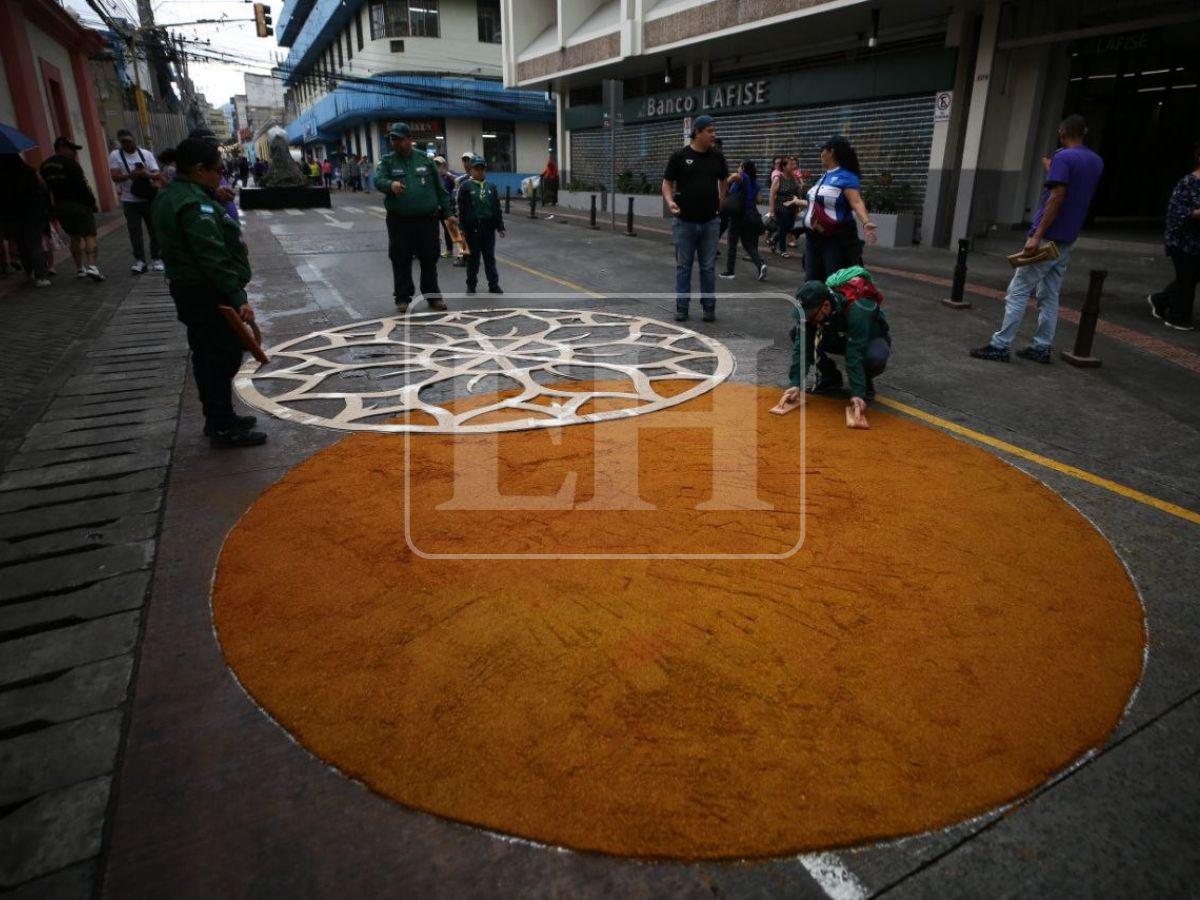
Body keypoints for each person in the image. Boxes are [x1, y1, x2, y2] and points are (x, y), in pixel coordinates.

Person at [153, 138, 265, 448]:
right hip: (206, 292)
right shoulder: (193, 205)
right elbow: (212, 257)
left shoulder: (180, 195)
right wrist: (238, 297)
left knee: (211, 356)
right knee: (218, 358)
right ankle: (221, 426)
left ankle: (221, 417)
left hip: (195, 290)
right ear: (199, 170)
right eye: (218, 170)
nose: (221, 175)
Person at [970, 114, 1104, 363]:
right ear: (1082, 133)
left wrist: (1037, 235)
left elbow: (1057, 196)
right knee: (1050, 293)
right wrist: (1052, 169)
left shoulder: (1063, 157)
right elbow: (1072, 190)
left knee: (1018, 289)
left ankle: (1000, 345)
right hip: (1068, 236)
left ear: (1062, 134)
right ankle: (1042, 346)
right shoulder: (1095, 161)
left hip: (1048, 236)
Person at [374, 122, 457, 313]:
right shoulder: (387, 161)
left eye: (397, 139)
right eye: (392, 139)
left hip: (426, 220)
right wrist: (390, 184)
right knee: (400, 258)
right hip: (399, 221)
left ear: (408, 140)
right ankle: (402, 297)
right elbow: (378, 180)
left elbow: (440, 189)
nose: (393, 142)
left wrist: (449, 214)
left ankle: (432, 296)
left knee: (430, 257)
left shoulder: (425, 160)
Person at [781, 275, 890, 418]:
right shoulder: (813, 314)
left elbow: (854, 352)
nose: (807, 319)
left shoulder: (857, 310)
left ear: (826, 306)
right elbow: (801, 348)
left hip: (868, 339)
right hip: (839, 335)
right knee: (796, 333)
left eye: (810, 315)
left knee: (874, 357)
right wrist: (795, 383)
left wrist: (857, 393)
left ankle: (865, 381)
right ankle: (831, 377)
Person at [662, 114, 727, 322]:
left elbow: (724, 180)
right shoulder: (679, 157)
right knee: (684, 266)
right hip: (684, 223)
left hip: (710, 222)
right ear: (697, 132)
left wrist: (721, 201)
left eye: (713, 131)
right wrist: (670, 201)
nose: (713, 135)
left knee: (708, 267)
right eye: (709, 131)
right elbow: (666, 183)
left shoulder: (717, 156)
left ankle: (709, 307)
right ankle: (682, 307)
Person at [788, 137, 876, 281]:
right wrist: (798, 201)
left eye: (822, 150)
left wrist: (866, 222)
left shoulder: (846, 176)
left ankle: (833, 303)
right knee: (811, 279)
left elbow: (856, 201)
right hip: (813, 238)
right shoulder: (824, 176)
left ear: (831, 152)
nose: (820, 154)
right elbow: (818, 203)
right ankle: (815, 303)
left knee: (833, 280)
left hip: (833, 239)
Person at [1148, 139, 1200, 332]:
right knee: (1187, 277)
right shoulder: (1188, 182)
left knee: (1191, 276)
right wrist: (1195, 213)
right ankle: (1178, 316)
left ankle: (1160, 300)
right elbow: (1176, 211)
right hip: (1184, 240)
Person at [39, 137, 104, 282]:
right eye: (72, 149)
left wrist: (50, 208)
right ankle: (92, 266)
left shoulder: (45, 166)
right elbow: (83, 186)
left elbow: (46, 189)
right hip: (79, 205)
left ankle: (80, 268)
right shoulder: (72, 165)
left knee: (74, 236)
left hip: (60, 206)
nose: (74, 152)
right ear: (62, 147)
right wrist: (92, 202)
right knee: (89, 235)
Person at [109, 128, 163, 274]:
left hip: (148, 198)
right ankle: (140, 260)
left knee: (154, 229)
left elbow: (157, 173)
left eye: (129, 141)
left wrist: (146, 174)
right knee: (134, 231)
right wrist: (129, 175)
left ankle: (157, 258)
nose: (126, 144)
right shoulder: (115, 155)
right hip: (129, 200)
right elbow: (114, 177)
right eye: (123, 142)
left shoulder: (146, 154)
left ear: (134, 139)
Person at [0, 154, 53, 287]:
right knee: (35, 244)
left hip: (13, 217)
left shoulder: (3, 176)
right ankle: (40, 276)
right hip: (33, 214)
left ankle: (29, 271)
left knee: (21, 245)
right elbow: (43, 189)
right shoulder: (29, 171)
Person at [456, 154, 505, 295]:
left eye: (482, 168)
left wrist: (500, 226)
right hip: (473, 228)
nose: (479, 171)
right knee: (473, 259)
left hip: (488, 227)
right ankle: (471, 285)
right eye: (476, 168)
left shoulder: (491, 187)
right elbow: (462, 209)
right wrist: (462, 229)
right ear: (471, 170)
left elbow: (496, 208)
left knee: (489, 257)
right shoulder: (465, 187)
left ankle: (493, 284)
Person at [719, 160, 767, 281]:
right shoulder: (755, 183)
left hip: (737, 215)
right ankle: (760, 265)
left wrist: (726, 183)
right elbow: (759, 200)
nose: (738, 169)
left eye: (740, 166)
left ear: (744, 168)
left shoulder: (743, 177)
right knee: (748, 244)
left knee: (732, 244)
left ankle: (730, 271)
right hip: (749, 216)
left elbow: (735, 176)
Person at [768, 157, 800, 257]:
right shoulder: (778, 178)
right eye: (790, 164)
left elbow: (797, 191)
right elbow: (772, 195)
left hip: (792, 206)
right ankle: (783, 250)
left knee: (789, 227)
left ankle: (773, 239)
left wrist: (799, 203)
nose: (793, 166)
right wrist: (772, 211)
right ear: (784, 167)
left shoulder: (793, 177)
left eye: (793, 164)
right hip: (781, 207)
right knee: (782, 228)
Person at [434, 157, 456, 257]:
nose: (438, 167)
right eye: (436, 164)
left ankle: (454, 251)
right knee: (434, 230)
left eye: (439, 164)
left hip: (447, 207)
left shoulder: (448, 175)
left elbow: (457, 180)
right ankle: (435, 250)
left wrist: (447, 174)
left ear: (444, 165)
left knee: (450, 229)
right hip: (435, 207)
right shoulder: (433, 177)